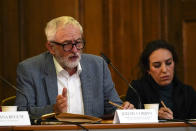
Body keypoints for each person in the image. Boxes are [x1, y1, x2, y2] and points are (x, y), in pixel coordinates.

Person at [15, 16, 134, 119]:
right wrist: (53, 109)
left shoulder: (98, 65)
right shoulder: (29, 69)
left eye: (78, 42)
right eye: (67, 44)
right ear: (51, 48)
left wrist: (124, 111)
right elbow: (22, 113)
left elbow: (112, 107)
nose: (75, 50)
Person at [125, 40, 196, 120]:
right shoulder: (136, 89)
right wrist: (155, 117)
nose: (164, 70)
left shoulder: (188, 92)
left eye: (168, 63)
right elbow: (129, 118)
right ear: (148, 69)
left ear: (174, 63)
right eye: (157, 65)